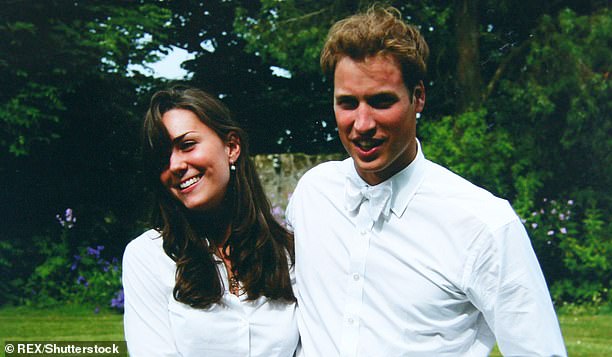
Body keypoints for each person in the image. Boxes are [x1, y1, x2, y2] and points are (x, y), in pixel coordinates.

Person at [286, 6, 566, 357]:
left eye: (381, 101)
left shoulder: (484, 225)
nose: (362, 124)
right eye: (347, 103)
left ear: (418, 96)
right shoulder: (313, 194)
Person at [122, 86, 299, 356]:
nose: (175, 165)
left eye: (187, 145)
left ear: (231, 146)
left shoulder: (289, 254)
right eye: (162, 156)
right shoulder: (148, 257)